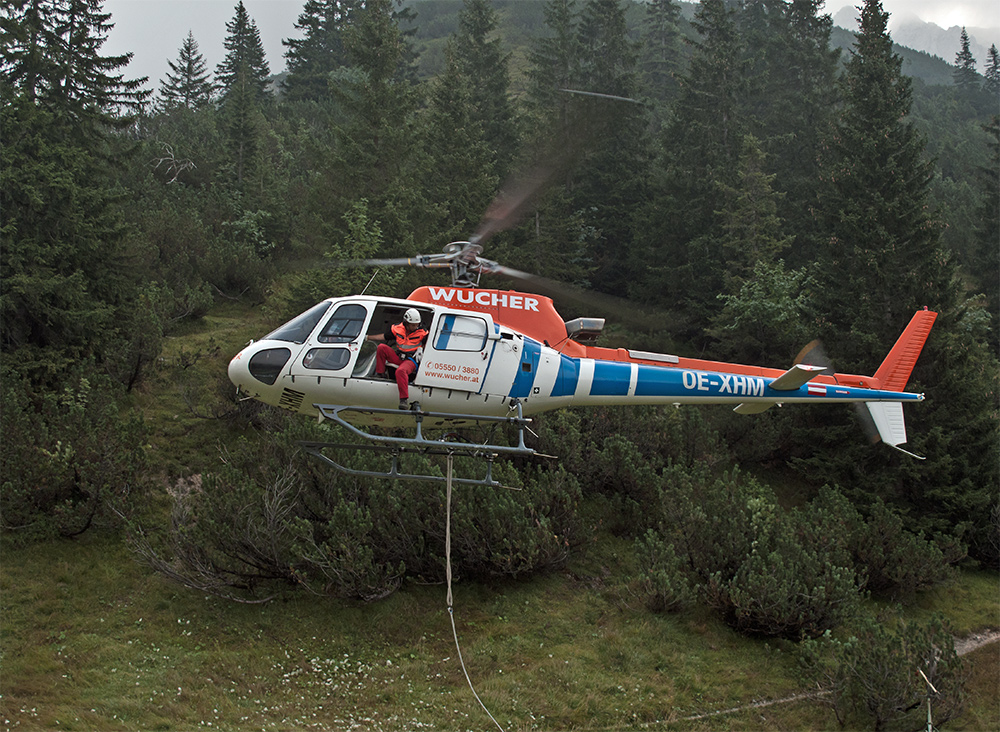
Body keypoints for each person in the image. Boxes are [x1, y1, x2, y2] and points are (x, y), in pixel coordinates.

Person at [368, 308, 428, 409]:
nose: (415, 327)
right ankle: (380, 374)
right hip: (399, 357)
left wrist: (422, 348)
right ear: (406, 323)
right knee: (381, 347)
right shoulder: (397, 328)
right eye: (413, 325)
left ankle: (403, 399)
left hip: (411, 360)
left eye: (417, 324)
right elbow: (384, 337)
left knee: (401, 371)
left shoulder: (423, 332)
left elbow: (431, 344)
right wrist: (367, 337)